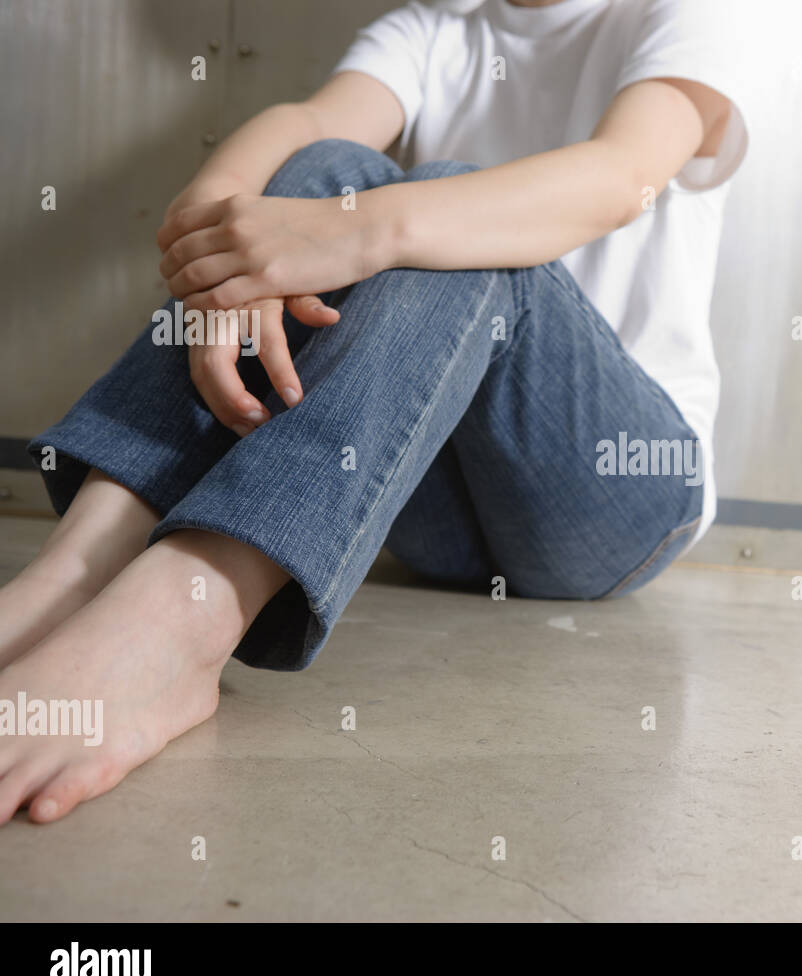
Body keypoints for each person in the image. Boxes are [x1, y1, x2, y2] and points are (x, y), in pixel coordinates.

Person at [0, 0, 748, 825]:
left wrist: (356, 236)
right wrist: (220, 238)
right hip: (423, 499)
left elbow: (620, 177)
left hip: (616, 495)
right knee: (323, 167)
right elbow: (308, 123)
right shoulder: (441, 27)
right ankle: (76, 575)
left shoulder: (681, 15)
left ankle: (184, 620)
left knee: (448, 211)